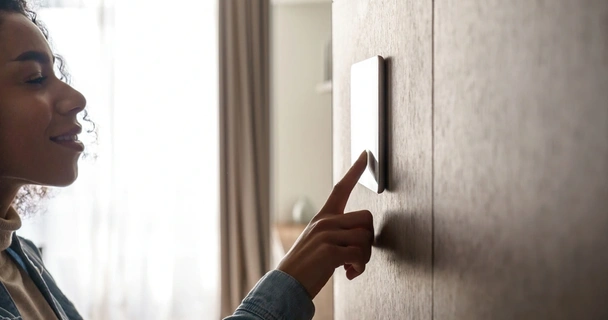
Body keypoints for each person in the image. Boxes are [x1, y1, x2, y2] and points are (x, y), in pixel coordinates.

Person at [0, 1, 375, 319]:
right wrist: (291, 282)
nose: (76, 97)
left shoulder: (22, 258)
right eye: (34, 78)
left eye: (55, 72)